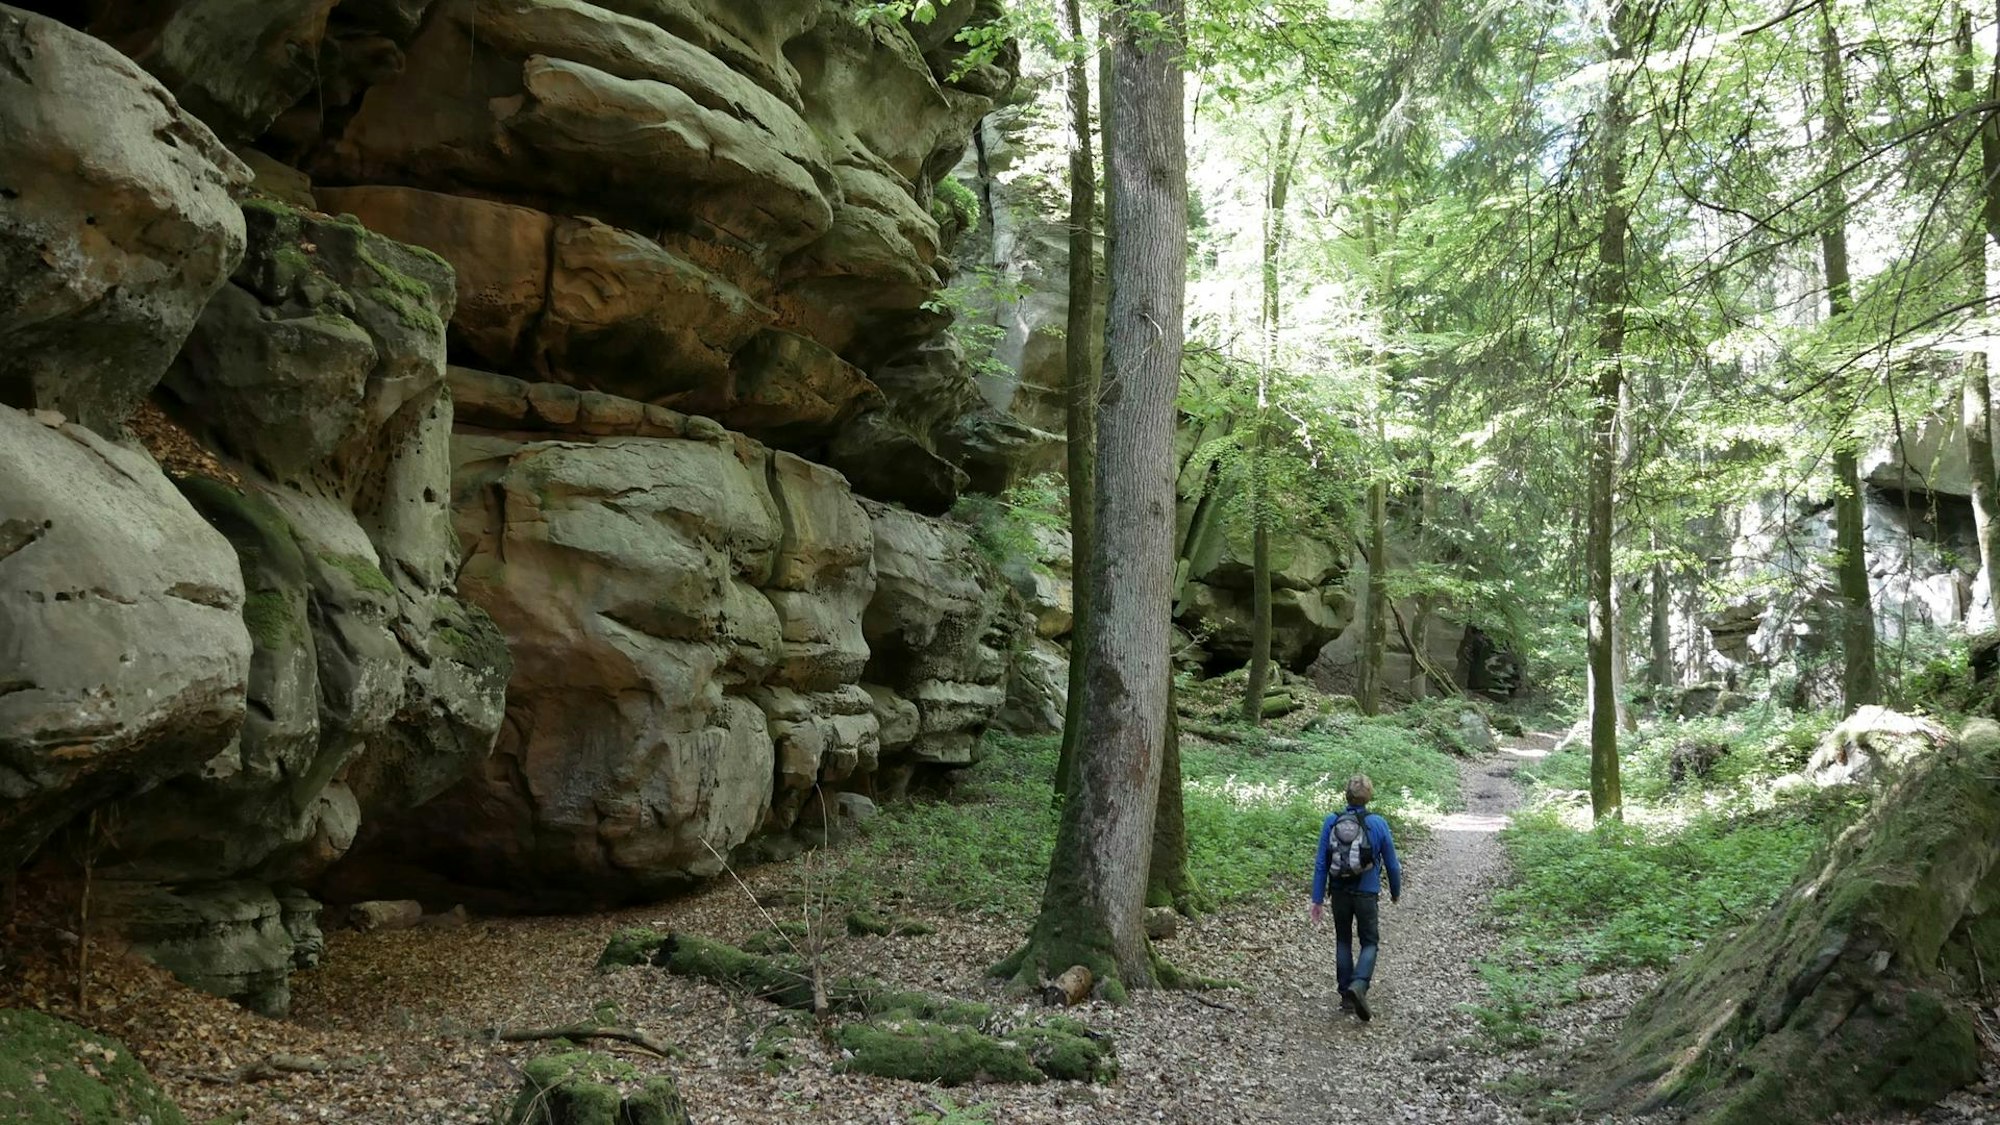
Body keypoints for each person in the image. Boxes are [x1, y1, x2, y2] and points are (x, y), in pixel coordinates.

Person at [1310, 773, 1402, 1021]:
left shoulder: (1332, 821)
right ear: (1368, 796)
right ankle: (1359, 984)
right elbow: (1392, 864)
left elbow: (1321, 863)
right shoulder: (1378, 823)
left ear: (1347, 795)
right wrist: (1395, 891)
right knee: (1369, 941)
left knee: (1343, 940)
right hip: (1367, 893)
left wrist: (1317, 898)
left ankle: (1345, 996)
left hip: (1339, 891)